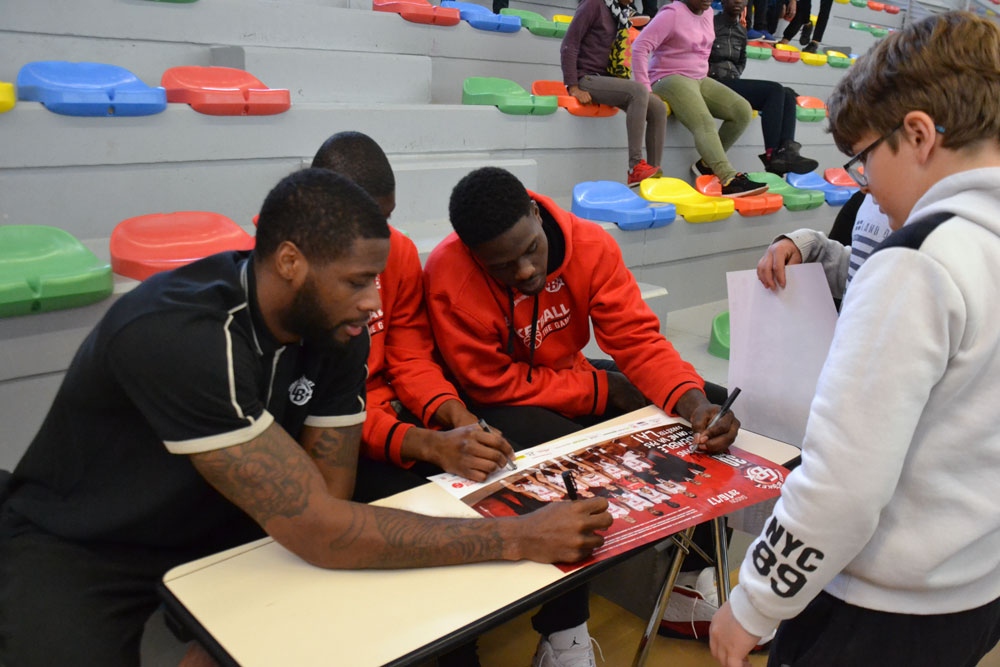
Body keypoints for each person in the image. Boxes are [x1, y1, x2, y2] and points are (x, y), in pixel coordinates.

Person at [0, 168, 612, 667]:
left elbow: (329, 496)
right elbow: (322, 527)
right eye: (358, 281)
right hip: (86, 543)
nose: (374, 302)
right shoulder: (179, 334)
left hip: (230, 522)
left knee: (385, 587)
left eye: (376, 279)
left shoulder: (338, 329)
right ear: (290, 262)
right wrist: (519, 537)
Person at [710, 12, 1000, 667]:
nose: (862, 184)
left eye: (864, 160)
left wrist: (753, 600)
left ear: (919, 135)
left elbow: (843, 482)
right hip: (974, 587)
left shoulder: (916, 261)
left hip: (881, 606)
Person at [423, 166, 741, 666]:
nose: (525, 271)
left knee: (708, 402)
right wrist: (601, 391)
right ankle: (563, 635)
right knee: (573, 463)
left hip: (564, 375)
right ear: (472, 256)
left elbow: (637, 341)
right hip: (491, 402)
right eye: (503, 267)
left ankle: (685, 584)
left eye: (530, 249)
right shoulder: (448, 275)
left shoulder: (589, 245)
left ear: (535, 211)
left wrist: (692, 402)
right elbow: (490, 383)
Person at [310, 132, 515, 502]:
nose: (379, 237)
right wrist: (430, 446)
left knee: (500, 479)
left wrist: (456, 416)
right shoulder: (294, 278)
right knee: (431, 513)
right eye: (361, 224)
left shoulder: (398, 251)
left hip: (393, 419)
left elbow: (410, 356)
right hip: (335, 439)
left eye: (385, 219)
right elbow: (322, 412)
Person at [631, 0, 768, 197]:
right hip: (668, 76)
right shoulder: (672, 14)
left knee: (742, 110)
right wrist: (645, 88)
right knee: (704, 122)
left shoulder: (708, 12)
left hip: (699, 78)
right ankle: (727, 178)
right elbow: (639, 47)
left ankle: (706, 164)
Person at [560, 0, 666, 187]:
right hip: (587, 78)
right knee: (638, 90)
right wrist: (573, 86)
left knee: (658, 107)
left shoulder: (622, 11)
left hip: (607, 78)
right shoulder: (594, 4)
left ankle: (653, 171)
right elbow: (569, 43)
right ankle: (635, 167)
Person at [709, 0, 820, 175]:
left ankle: (785, 153)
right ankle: (772, 155)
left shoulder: (740, 30)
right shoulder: (710, 25)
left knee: (787, 94)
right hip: (712, 83)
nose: (738, 1)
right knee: (774, 90)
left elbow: (740, 62)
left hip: (732, 82)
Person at [756, 190, 891, 299]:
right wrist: (808, 246)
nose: (864, 186)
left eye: (866, 156)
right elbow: (856, 274)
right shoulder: (866, 200)